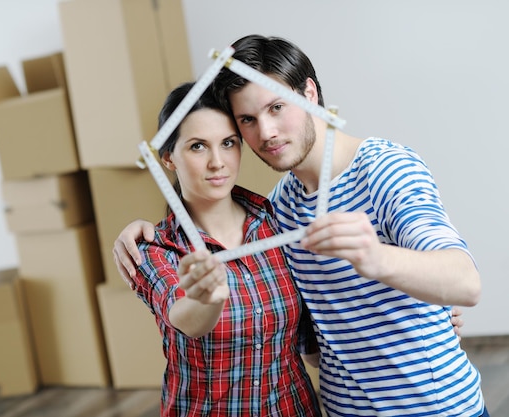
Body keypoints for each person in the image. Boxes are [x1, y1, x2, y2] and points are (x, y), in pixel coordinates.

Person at [114, 35, 487, 416]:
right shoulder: (280, 209)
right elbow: (311, 337)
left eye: (277, 107)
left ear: (309, 93)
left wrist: (378, 260)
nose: (267, 132)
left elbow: (465, 282)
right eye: (248, 120)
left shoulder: (384, 170)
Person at [130, 81, 323, 416]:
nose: (217, 162)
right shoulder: (156, 249)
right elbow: (186, 320)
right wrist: (207, 298)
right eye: (197, 147)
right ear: (168, 158)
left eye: (228, 143)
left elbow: (316, 337)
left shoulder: (277, 221)